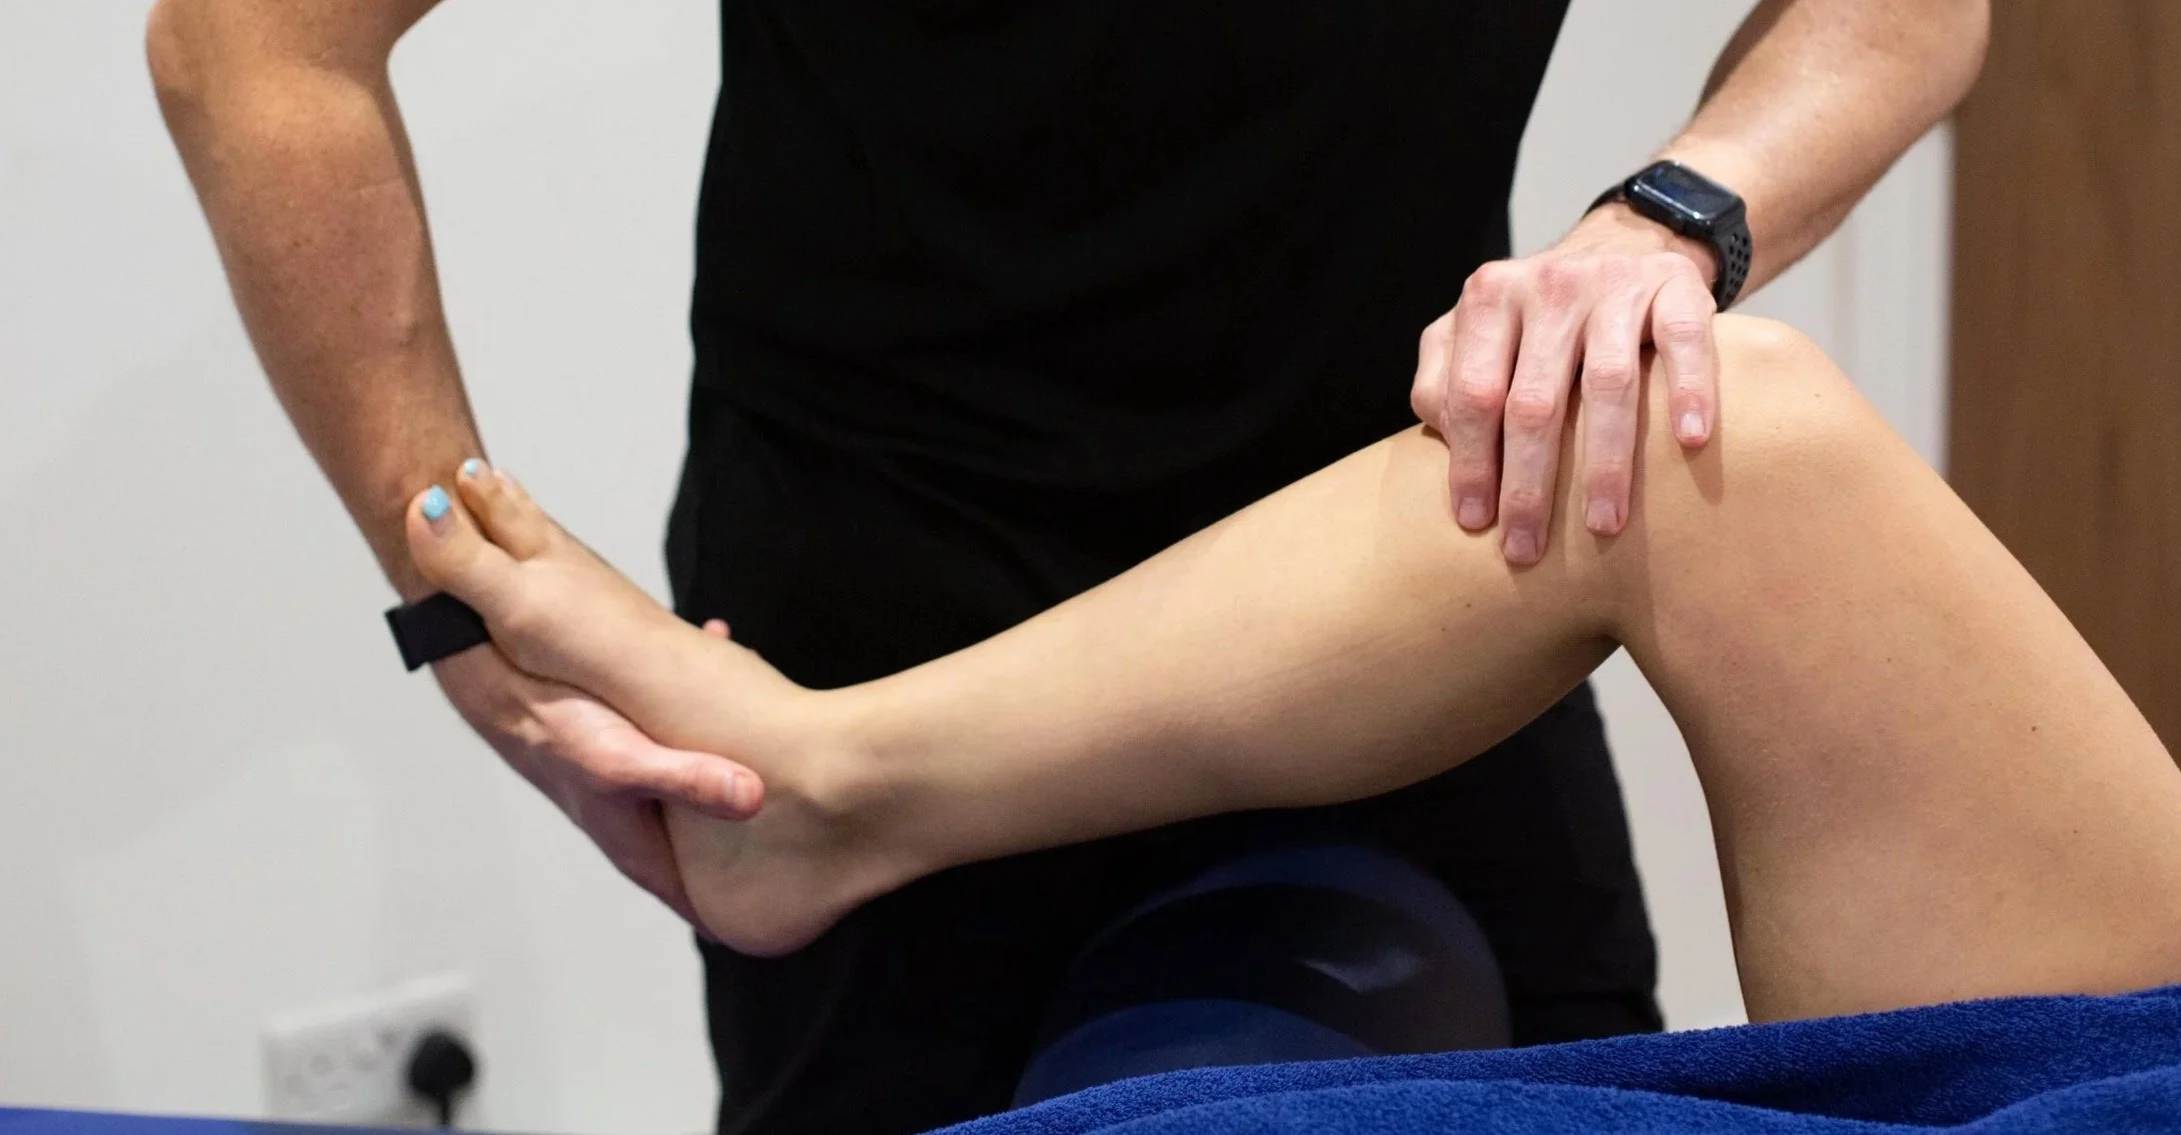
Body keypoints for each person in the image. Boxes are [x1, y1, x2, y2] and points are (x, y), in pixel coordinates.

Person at [145, 0, 1988, 1126]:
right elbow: (257, 23)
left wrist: (1669, 218)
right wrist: (471, 602)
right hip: (875, 695)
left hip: (1423, 603)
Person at [397, 315, 2181, 1024]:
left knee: (1706, 439)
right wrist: (475, 654)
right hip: (880, 504)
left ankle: (833, 783)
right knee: (1730, 439)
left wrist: (1682, 193)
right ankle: (829, 779)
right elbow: (249, 33)